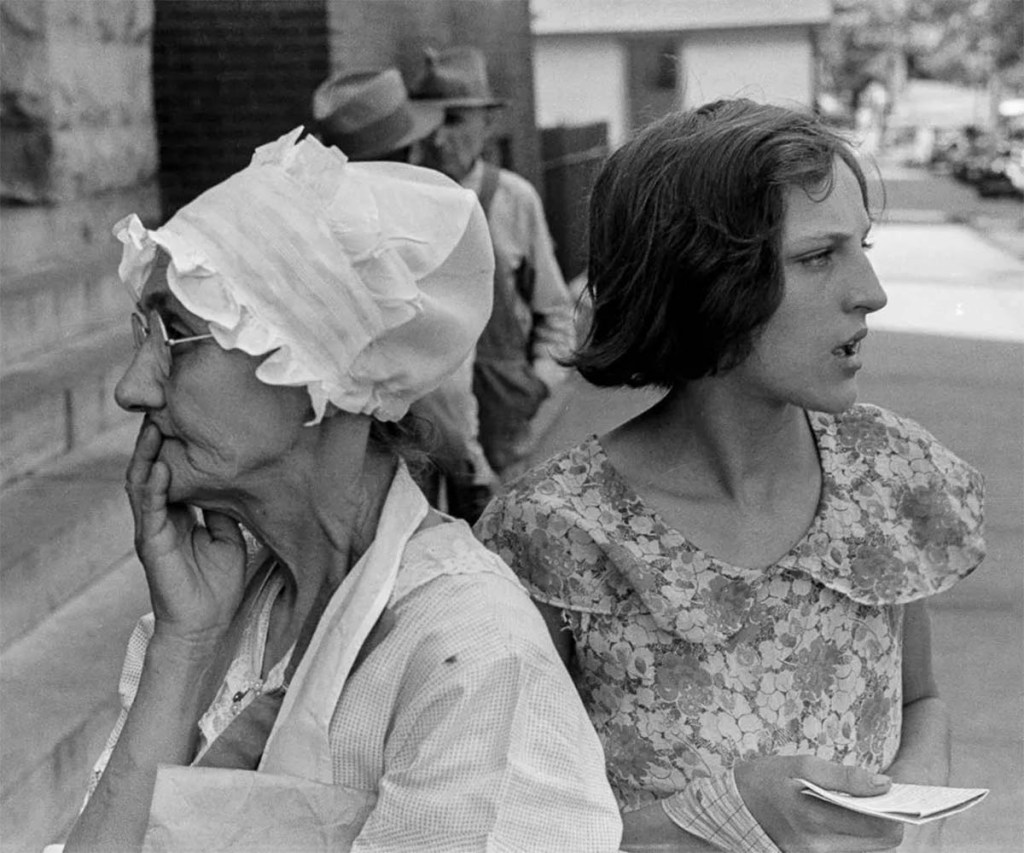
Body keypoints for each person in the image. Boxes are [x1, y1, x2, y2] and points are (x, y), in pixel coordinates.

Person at [60, 129, 622, 853]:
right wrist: (182, 645)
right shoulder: (227, 618)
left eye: (176, 336)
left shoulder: (471, 657)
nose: (131, 388)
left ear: (316, 374)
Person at [476, 99, 986, 852]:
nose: (871, 291)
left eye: (863, 247)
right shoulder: (556, 534)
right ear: (702, 281)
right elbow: (499, 822)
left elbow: (921, 697)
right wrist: (716, 819)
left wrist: (905, 815)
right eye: (819, 257)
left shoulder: (887, 476)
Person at [312, 66, 498, 522]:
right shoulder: (412, 228)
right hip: (402, 450)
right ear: (411, 148)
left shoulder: (309, 215)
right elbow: (444, 381)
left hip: (318, 451)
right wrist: (468, 459)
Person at [409, 46, 576, 480]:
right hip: (423, 413)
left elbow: (556, 310)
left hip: (504, 410)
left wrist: (539, 383)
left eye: (454, 120)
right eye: (429, 122)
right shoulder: (403, 199)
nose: (438, 138)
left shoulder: (514, 200)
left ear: (487, 123)